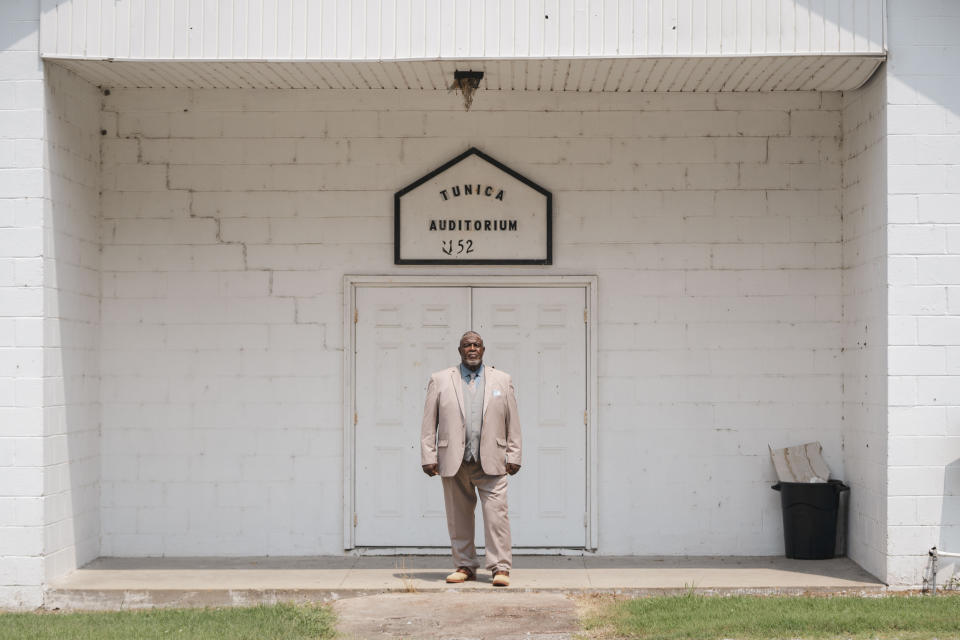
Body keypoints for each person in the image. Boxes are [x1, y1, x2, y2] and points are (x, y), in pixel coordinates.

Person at [420, 331, 522, 587]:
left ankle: (500, 568)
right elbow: (428, 422)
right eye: (467, 345)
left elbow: (513, 421)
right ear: (460, 350)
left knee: (497, 516)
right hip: (453, 460)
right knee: (458, 516)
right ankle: (465, 566)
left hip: (493, 460)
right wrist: (428, 455)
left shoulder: (502, 379)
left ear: (484, 349)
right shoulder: (440, 379)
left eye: (476, 345)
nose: (472, 349)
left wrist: (515, 453)